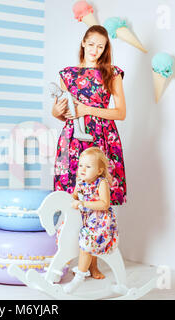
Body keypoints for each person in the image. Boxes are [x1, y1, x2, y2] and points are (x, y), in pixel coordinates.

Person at [52, 25, 127, 280]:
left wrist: (87, 110)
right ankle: (68, 258)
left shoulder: (112, 74)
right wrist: (63, 109)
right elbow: (57, 113)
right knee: (72, 198)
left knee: (96, 199)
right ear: (83, 43)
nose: (96, 50)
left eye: (101, 46)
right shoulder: (67, 75)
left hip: (101, 139)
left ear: (106, 49)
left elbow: (120, 113)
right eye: (92, 44)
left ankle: (92, 263)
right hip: (73, 140)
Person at [63, 147, 118, 293]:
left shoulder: (101, 183)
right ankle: (59, 267)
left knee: (87, 241)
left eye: (88, 166)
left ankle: (79, 278)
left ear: (99, 171)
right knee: (65, 232)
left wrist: (83, 204)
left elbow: (104, 204)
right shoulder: (80, 182)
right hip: (86, 219)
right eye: (81, 165)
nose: (83, 169)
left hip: (100, 221)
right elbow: (73, 197)